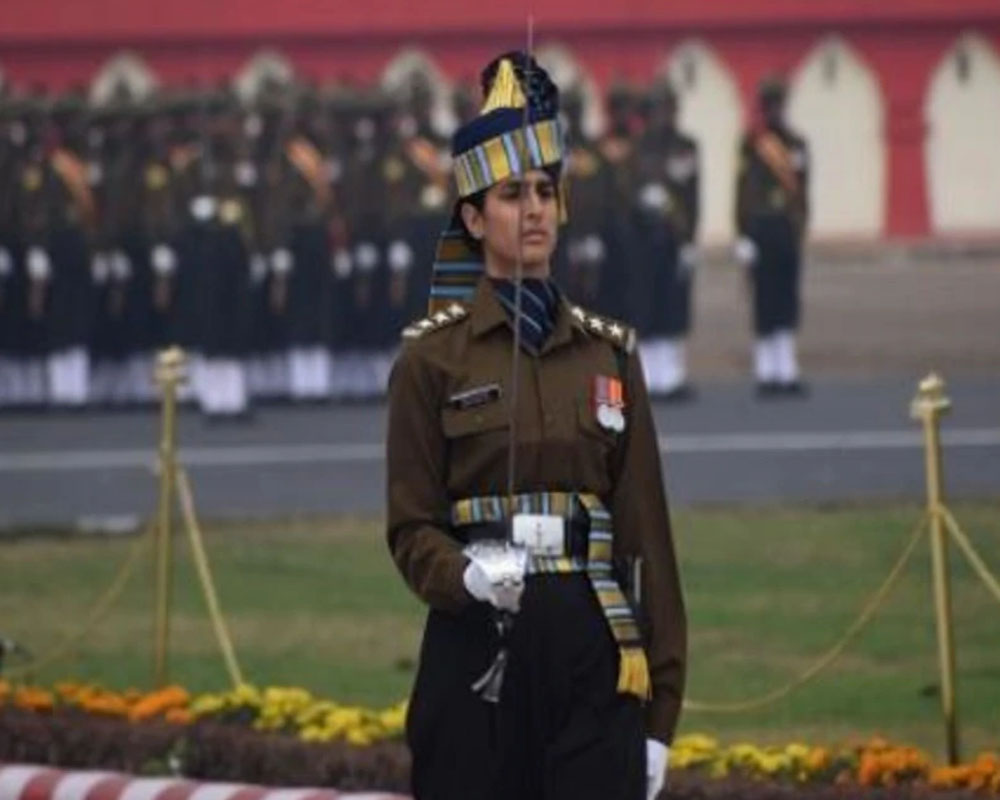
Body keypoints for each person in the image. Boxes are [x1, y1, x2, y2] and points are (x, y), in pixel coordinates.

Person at [385, 53, 686, 800]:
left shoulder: (607, 353)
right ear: (473, 217)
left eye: (546, 192)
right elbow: (410, 525)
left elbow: (645, 535)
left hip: (592, 650)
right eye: (513, 194)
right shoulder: (433, 359)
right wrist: (464, 574)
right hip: (477, 651)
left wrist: (659, 718)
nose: (536, 210)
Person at [734, 76, 809, 396]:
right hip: (760, 231)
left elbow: (804, 191)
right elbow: (741, 192)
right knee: (764, 301)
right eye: (770, 105)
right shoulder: (751, 144)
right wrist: (742, 234)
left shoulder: (797, 144)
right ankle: (766, 371)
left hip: (786, 231)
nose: (775, 111)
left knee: (787, 300)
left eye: (779, 104)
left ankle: (787, 369)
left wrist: (800, 227)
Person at [632, 81, 700, 400]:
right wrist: (642, 200)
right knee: (647, 307)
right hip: (645, 239)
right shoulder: (638, 148)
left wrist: (690, 241)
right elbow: (625, 191)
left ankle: (672, 376)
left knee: (674, 307)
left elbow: (692, 196)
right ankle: (648, 376)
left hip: (674, 238)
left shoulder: (686, 146)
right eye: (659, 109)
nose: (664, 115)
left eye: (669, 108)